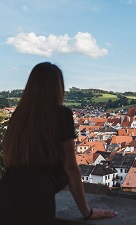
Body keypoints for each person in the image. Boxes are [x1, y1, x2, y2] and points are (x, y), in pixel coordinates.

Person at [0, 62, 117, 224]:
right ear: (58, 88)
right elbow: (71, 167)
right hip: (38, 195)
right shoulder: (61, 115)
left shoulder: (18, 116)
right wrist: (87, 212)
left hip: (6, 191)